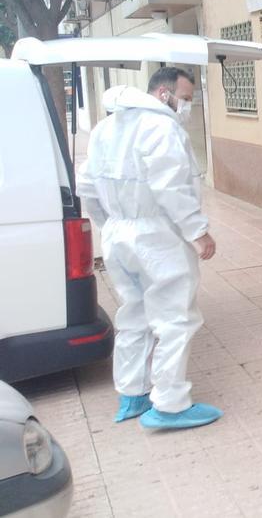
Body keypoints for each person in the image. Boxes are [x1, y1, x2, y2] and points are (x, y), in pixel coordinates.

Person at [78, 67, 223, 430]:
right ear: (164, 93)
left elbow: (88, 186)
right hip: (158, 237)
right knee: (176, 318)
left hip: (119, 234)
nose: (187, 105)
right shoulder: (162, 128)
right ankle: (170, 405)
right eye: (186, 98)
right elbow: (171, 186)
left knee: (135, 315)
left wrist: (110, 223)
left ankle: (132, 395)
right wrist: (198, 232)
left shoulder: (104, 128)